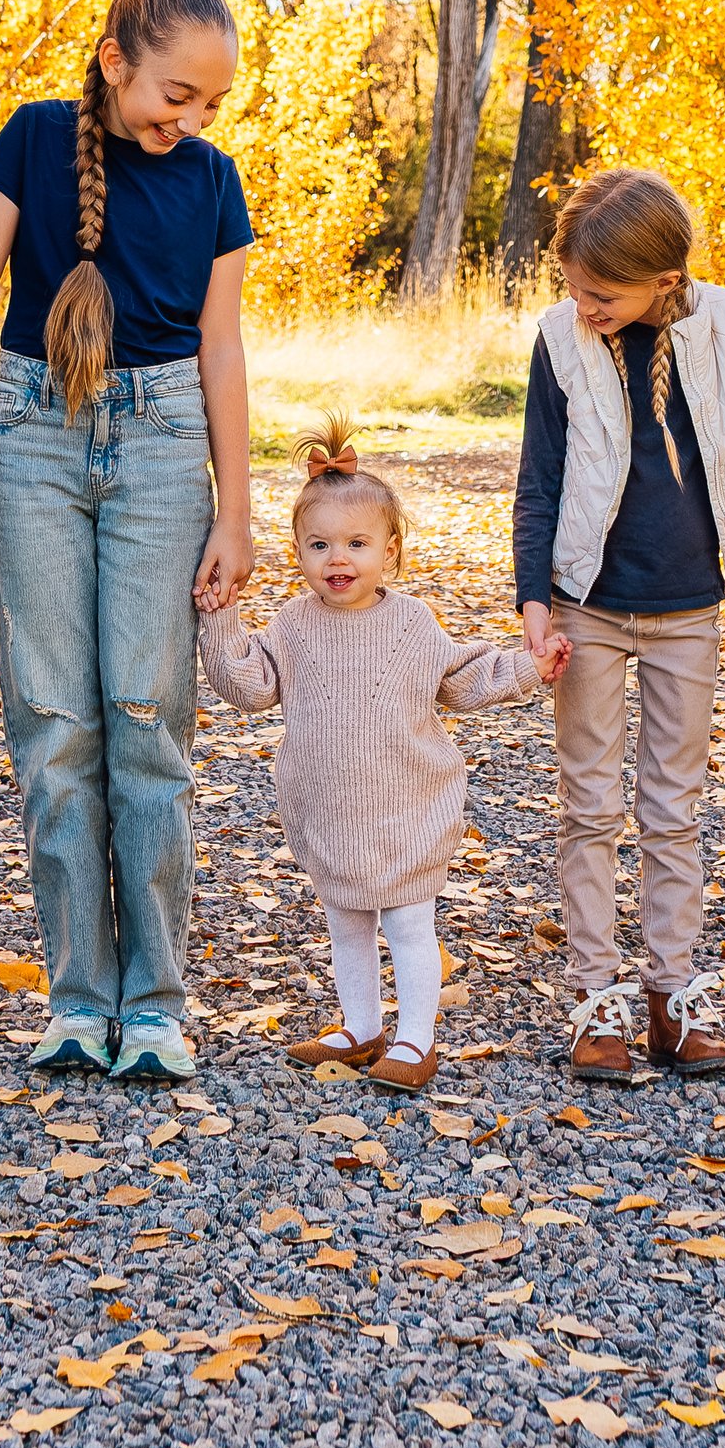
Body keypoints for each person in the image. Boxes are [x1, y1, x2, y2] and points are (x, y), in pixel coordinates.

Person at [0, 0, 254, 1084]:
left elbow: (222, 349)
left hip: (160, 445)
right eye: (173, 94)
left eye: (207, 106)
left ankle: (155, 1006)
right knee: (54, 730)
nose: (185, 121)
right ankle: (77, 998)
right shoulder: (36, 141)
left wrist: (235, 507)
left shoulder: (213, 182)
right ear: (112, 59)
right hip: (33, 437)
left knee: (147, 727)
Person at [512, 169, 725, 1084]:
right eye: (575, 288)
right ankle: (595, 995)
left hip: (688, 609)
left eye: (603, 292)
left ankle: (674, 993)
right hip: (587, 606)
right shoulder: (559, 339)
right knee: (589, 808)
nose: (584, 305)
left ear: (665, 281)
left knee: (674, 810)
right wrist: (534, 600)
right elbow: (538, 479)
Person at [199, 422, 551, 1093]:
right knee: (348, 925)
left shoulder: (412, 623)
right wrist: (220, 618)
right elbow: (246, 685)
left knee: (409, 924)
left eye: (357, 544)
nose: (339, 558)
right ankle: (362, 1027)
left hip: (408, 807)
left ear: (389, 550)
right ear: (299, 551)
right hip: (329, 813)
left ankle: (417, 1038)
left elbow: (463, 677)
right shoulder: (293, 626)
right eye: (320, 544)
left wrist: (528, 666)